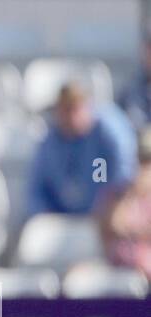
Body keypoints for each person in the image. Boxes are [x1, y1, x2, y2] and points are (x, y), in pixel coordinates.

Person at [27, 82, 137, 217]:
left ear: (87, 107)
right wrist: (46, 215)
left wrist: (108, 207)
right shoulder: (50, 141)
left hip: (105, 218)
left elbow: (124, 172)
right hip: (63, 221)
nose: (70, 117)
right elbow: (37, 189)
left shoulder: (108, 130)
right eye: (65, 110)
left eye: (75, 109)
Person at [99, 126, 151, 282]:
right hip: (121, 264)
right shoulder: (120, 192)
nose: (145, 167)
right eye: (142, 160)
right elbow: (113, 224)